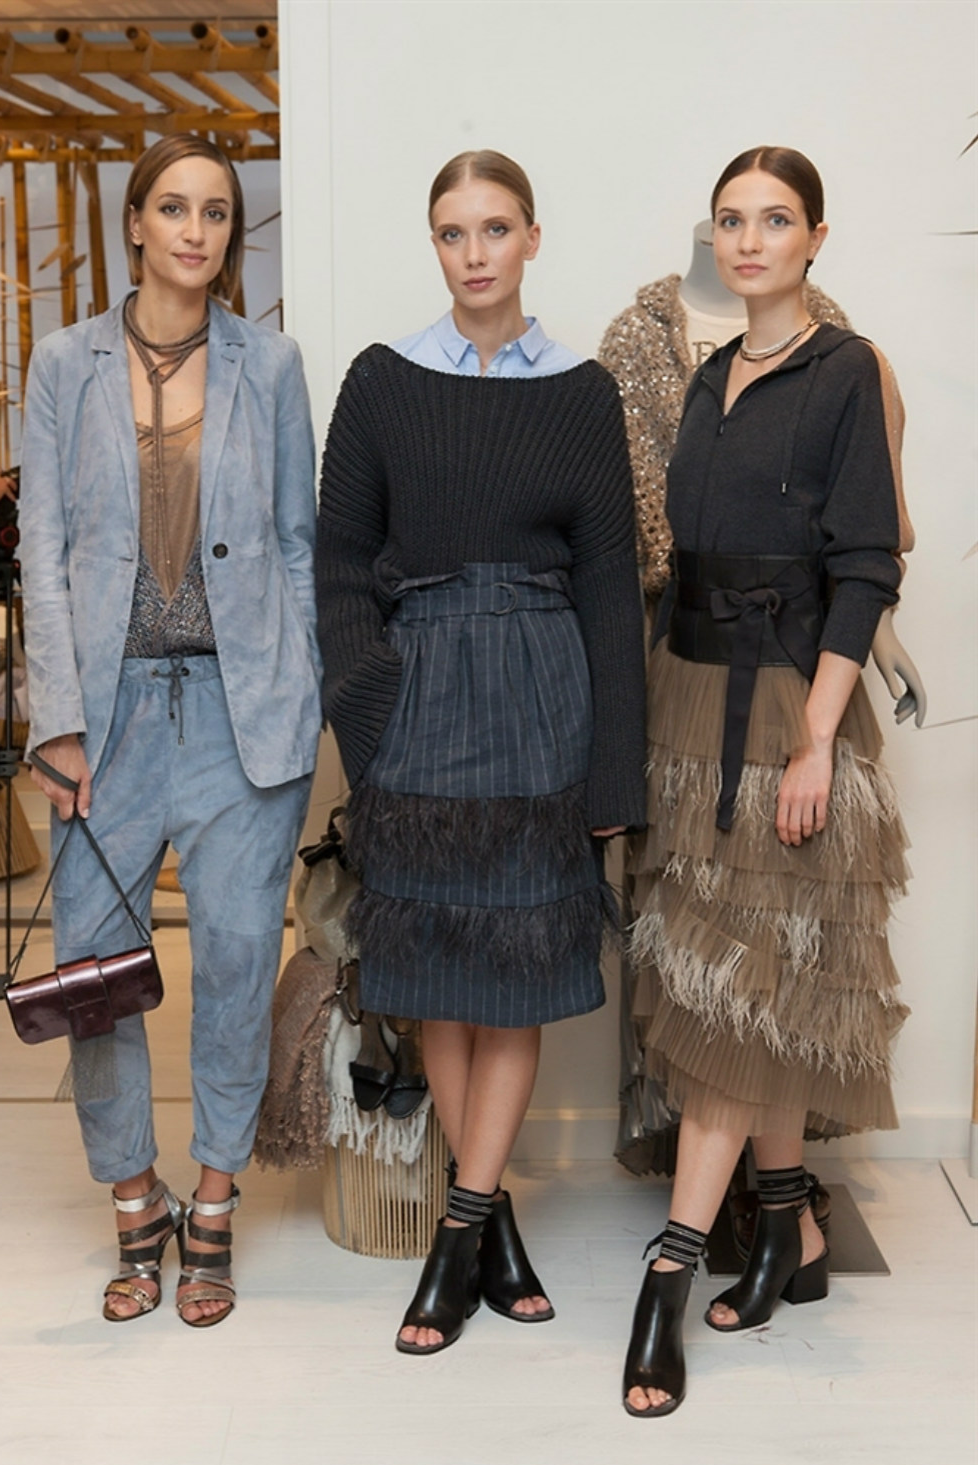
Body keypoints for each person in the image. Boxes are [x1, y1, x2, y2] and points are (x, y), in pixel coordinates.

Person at [316, 149, 647, 1355]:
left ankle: (457, 1237)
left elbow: (609, 583)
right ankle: (486, 1224)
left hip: (543, 693)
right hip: (418, 699)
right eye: (453, 231)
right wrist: (367, 712)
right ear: (435, 243)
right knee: (436, 980)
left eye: (495, 229)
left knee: (512, 972)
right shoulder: (381, 380)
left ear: (532, 238)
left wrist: (616, 767)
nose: (474, 253)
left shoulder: (583, 390)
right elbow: (338, 563)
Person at [622, 146, 912, 1416]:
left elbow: (866, 563)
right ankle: (788, 1222)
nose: (748, 239)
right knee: (751, 974)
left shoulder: (846, 370)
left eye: (774, 218)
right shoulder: (703, 376)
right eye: (730, 219)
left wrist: (816, 740)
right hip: (688, 696)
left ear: (814, 239)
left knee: (749, 986)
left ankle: (669, 1270)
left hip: (788, 699)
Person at [19, 134, 321, 1327]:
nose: (196, 230)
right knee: (97, 971)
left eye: (216, 212)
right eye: (174, 208)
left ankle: (214, 1200)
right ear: (136, 222)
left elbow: (294, 543)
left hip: (243, 713)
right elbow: (43, 549)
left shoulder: (272, 363)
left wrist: (299, 688)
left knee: (238, 959)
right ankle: (134, 1198)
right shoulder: (63, 362)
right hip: (107, 718)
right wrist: (58, 722)